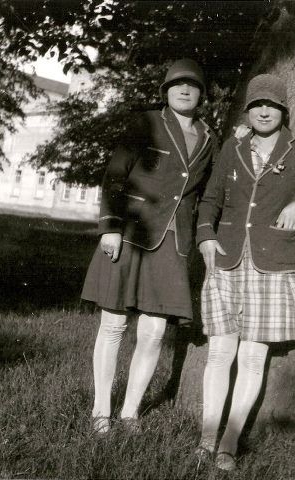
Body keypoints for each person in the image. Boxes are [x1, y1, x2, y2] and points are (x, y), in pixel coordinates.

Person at [82, 58, 217, 433]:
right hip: (130, 234)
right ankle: (100, 410)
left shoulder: (210, 137)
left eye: (192, 85)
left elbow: (208, 192)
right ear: (166, 92)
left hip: (175, 244)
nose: (185, 90)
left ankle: (130, 412)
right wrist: (109, 225)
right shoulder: (147, 123)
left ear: (202, 94)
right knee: (113, 325)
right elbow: (114, 175)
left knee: (155, 332)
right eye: (177, 85)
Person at [195, 73, 295, 471]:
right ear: (248, 110)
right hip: (226, 258)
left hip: (273, 265)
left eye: (272, 106)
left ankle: (229, 442)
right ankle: (206, 438)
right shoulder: (234, 146)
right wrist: (206, 236)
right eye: (257, 105)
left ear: (283, 112)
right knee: (220, 352)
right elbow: (210, 198)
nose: (264, 111)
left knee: (253, 358)